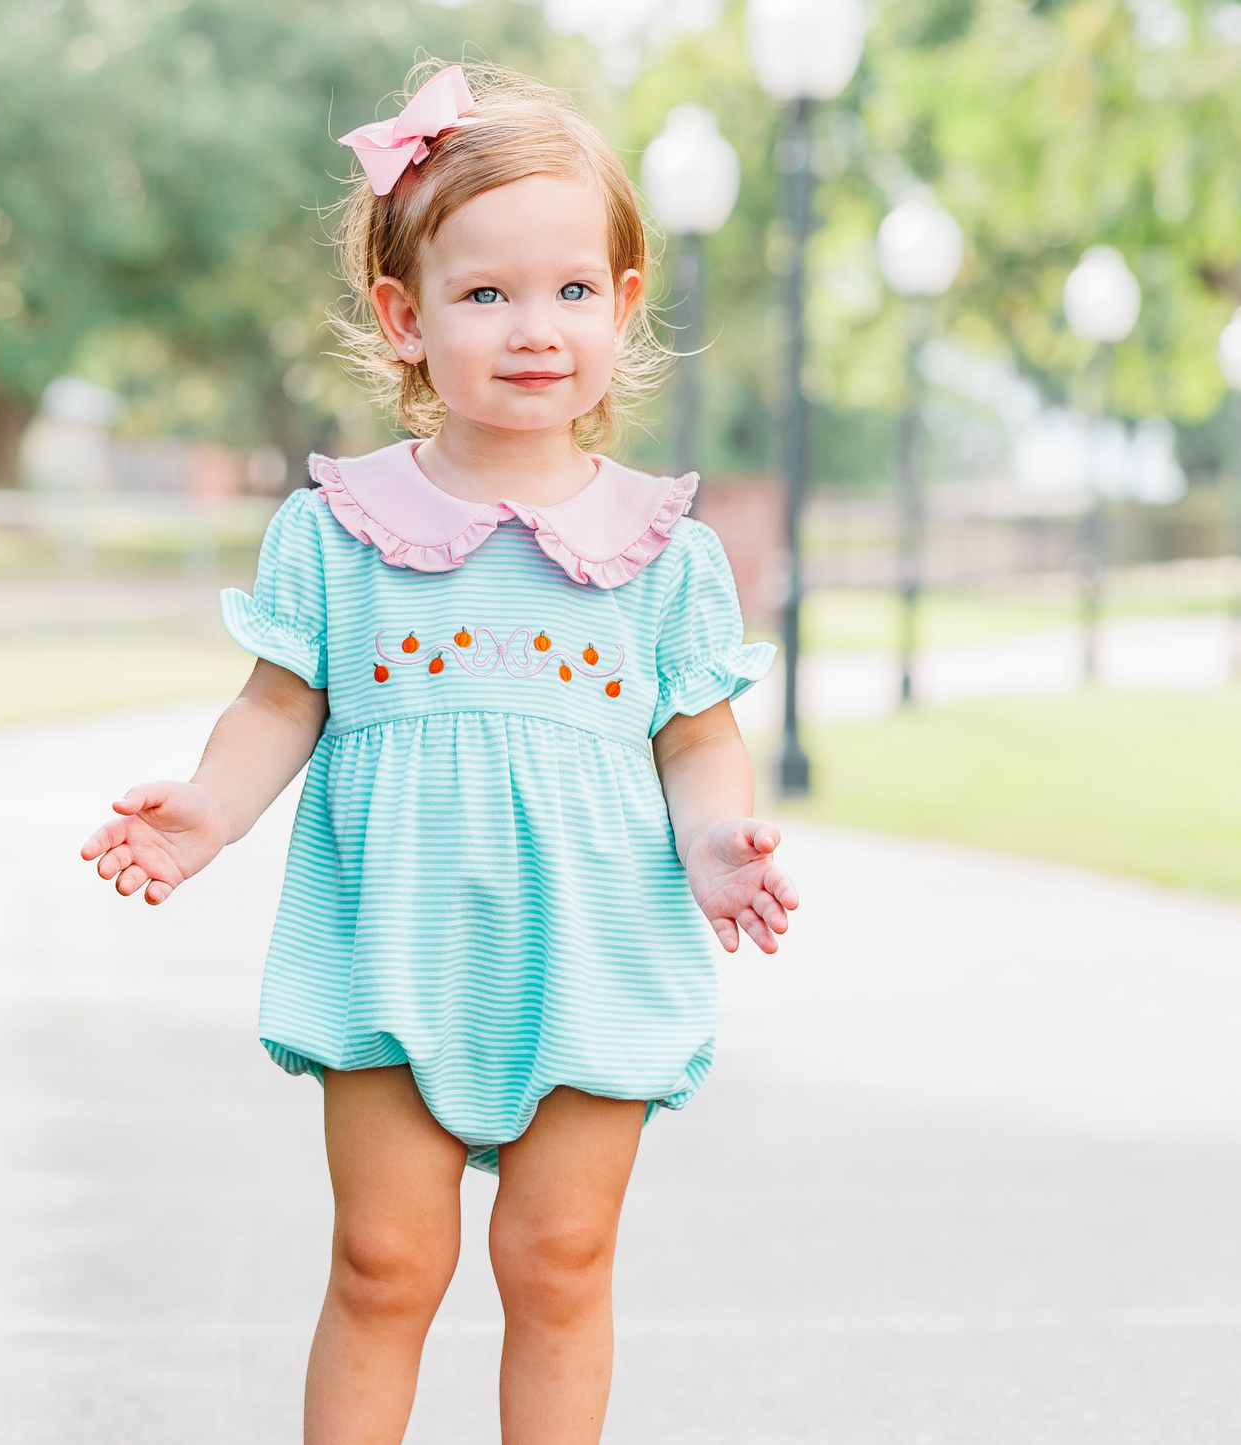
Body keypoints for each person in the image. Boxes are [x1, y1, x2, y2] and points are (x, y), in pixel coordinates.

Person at [80, 61, 798, 1445]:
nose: (535, 330)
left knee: (558, 1262)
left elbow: (698, 742)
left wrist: (717, 844)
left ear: (627, 303)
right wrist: (207, 813)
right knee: (385, 1264)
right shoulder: (338, 529)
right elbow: (280, 704)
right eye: (486, 295)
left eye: (572, 291)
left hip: (592, 946)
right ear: (408, 321)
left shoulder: (667, 553)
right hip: (390, 938)